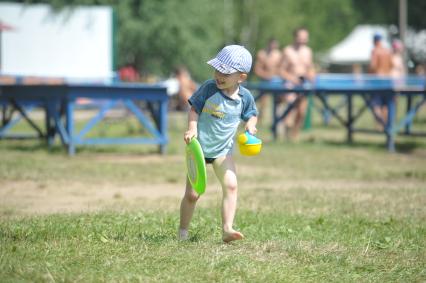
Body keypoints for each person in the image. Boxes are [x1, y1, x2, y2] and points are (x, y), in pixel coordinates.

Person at [178, 45, 258, 243]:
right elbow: (194, 109)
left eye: (226, 73)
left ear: (241, 77)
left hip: (223, 151)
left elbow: (252, 114)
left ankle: (227, 229)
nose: (219, 75)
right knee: (192, 195)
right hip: (199, 148)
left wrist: (250, 125)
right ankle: (182, 233)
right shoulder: (209, 87)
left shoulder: (244, 97)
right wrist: (192, 128)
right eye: (217, 70)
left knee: (231, 186)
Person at [280, 27, 316, 140]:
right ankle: (287, 131)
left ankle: (294, 135)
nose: (303, 39)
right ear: (295, 37)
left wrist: (312, 76)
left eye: (305, 37)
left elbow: (310, 68)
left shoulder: (308, 51)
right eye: (301, 36)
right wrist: (292, 79)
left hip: (303, 84)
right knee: (291, 107)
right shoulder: (287, 51)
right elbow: (281, 70)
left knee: (301, 111)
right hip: (290, 84)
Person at [253, 38, 282, 121]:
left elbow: (281, 69)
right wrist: (267, 76)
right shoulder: (262, 54)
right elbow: (257, 70)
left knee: (279, 101)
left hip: (277, 82)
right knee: (262, 103)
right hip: (264, 81)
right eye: (272, 44)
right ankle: (258, 120)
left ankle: (277, 120)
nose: (273, 46)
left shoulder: (279, 55)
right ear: (268, 44)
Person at [369, 33, 393, 127]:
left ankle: (382, 125)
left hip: (377, 81)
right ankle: (387, 125)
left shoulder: (375, 51)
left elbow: (373, 66)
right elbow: (392, 65)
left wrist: (369, 74)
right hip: (387, 80)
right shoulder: (387, 51)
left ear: (375, 41)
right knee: (385, 105)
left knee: (375, 105)